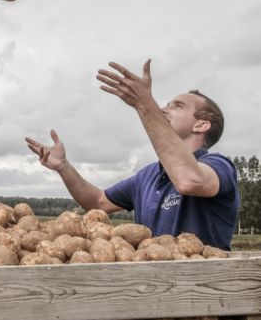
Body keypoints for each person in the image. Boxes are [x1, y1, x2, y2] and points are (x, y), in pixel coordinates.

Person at [25, 59, 238, 250]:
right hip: (152, 289)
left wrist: (145, 104)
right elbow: (98, 203)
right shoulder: (147, 176)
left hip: (203, 291)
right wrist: (64, 167)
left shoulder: (219, 166)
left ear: (201, 125)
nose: (163, 108)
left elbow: (189, 180)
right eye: (166, 103)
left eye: (177, 106)